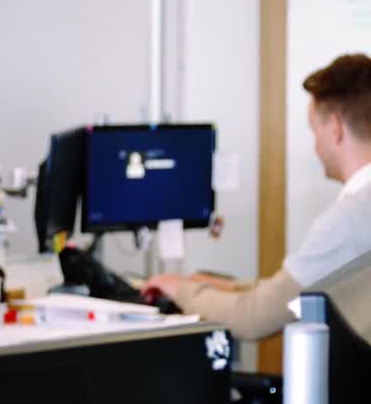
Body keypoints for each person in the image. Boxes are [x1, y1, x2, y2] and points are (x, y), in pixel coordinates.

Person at [144, 53, 371, 341]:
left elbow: (252, 319)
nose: (315, 146)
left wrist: (180, 289)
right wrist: (228, 288)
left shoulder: (350, 220)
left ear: (335, 128)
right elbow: (301, 290)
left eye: (314, 130)